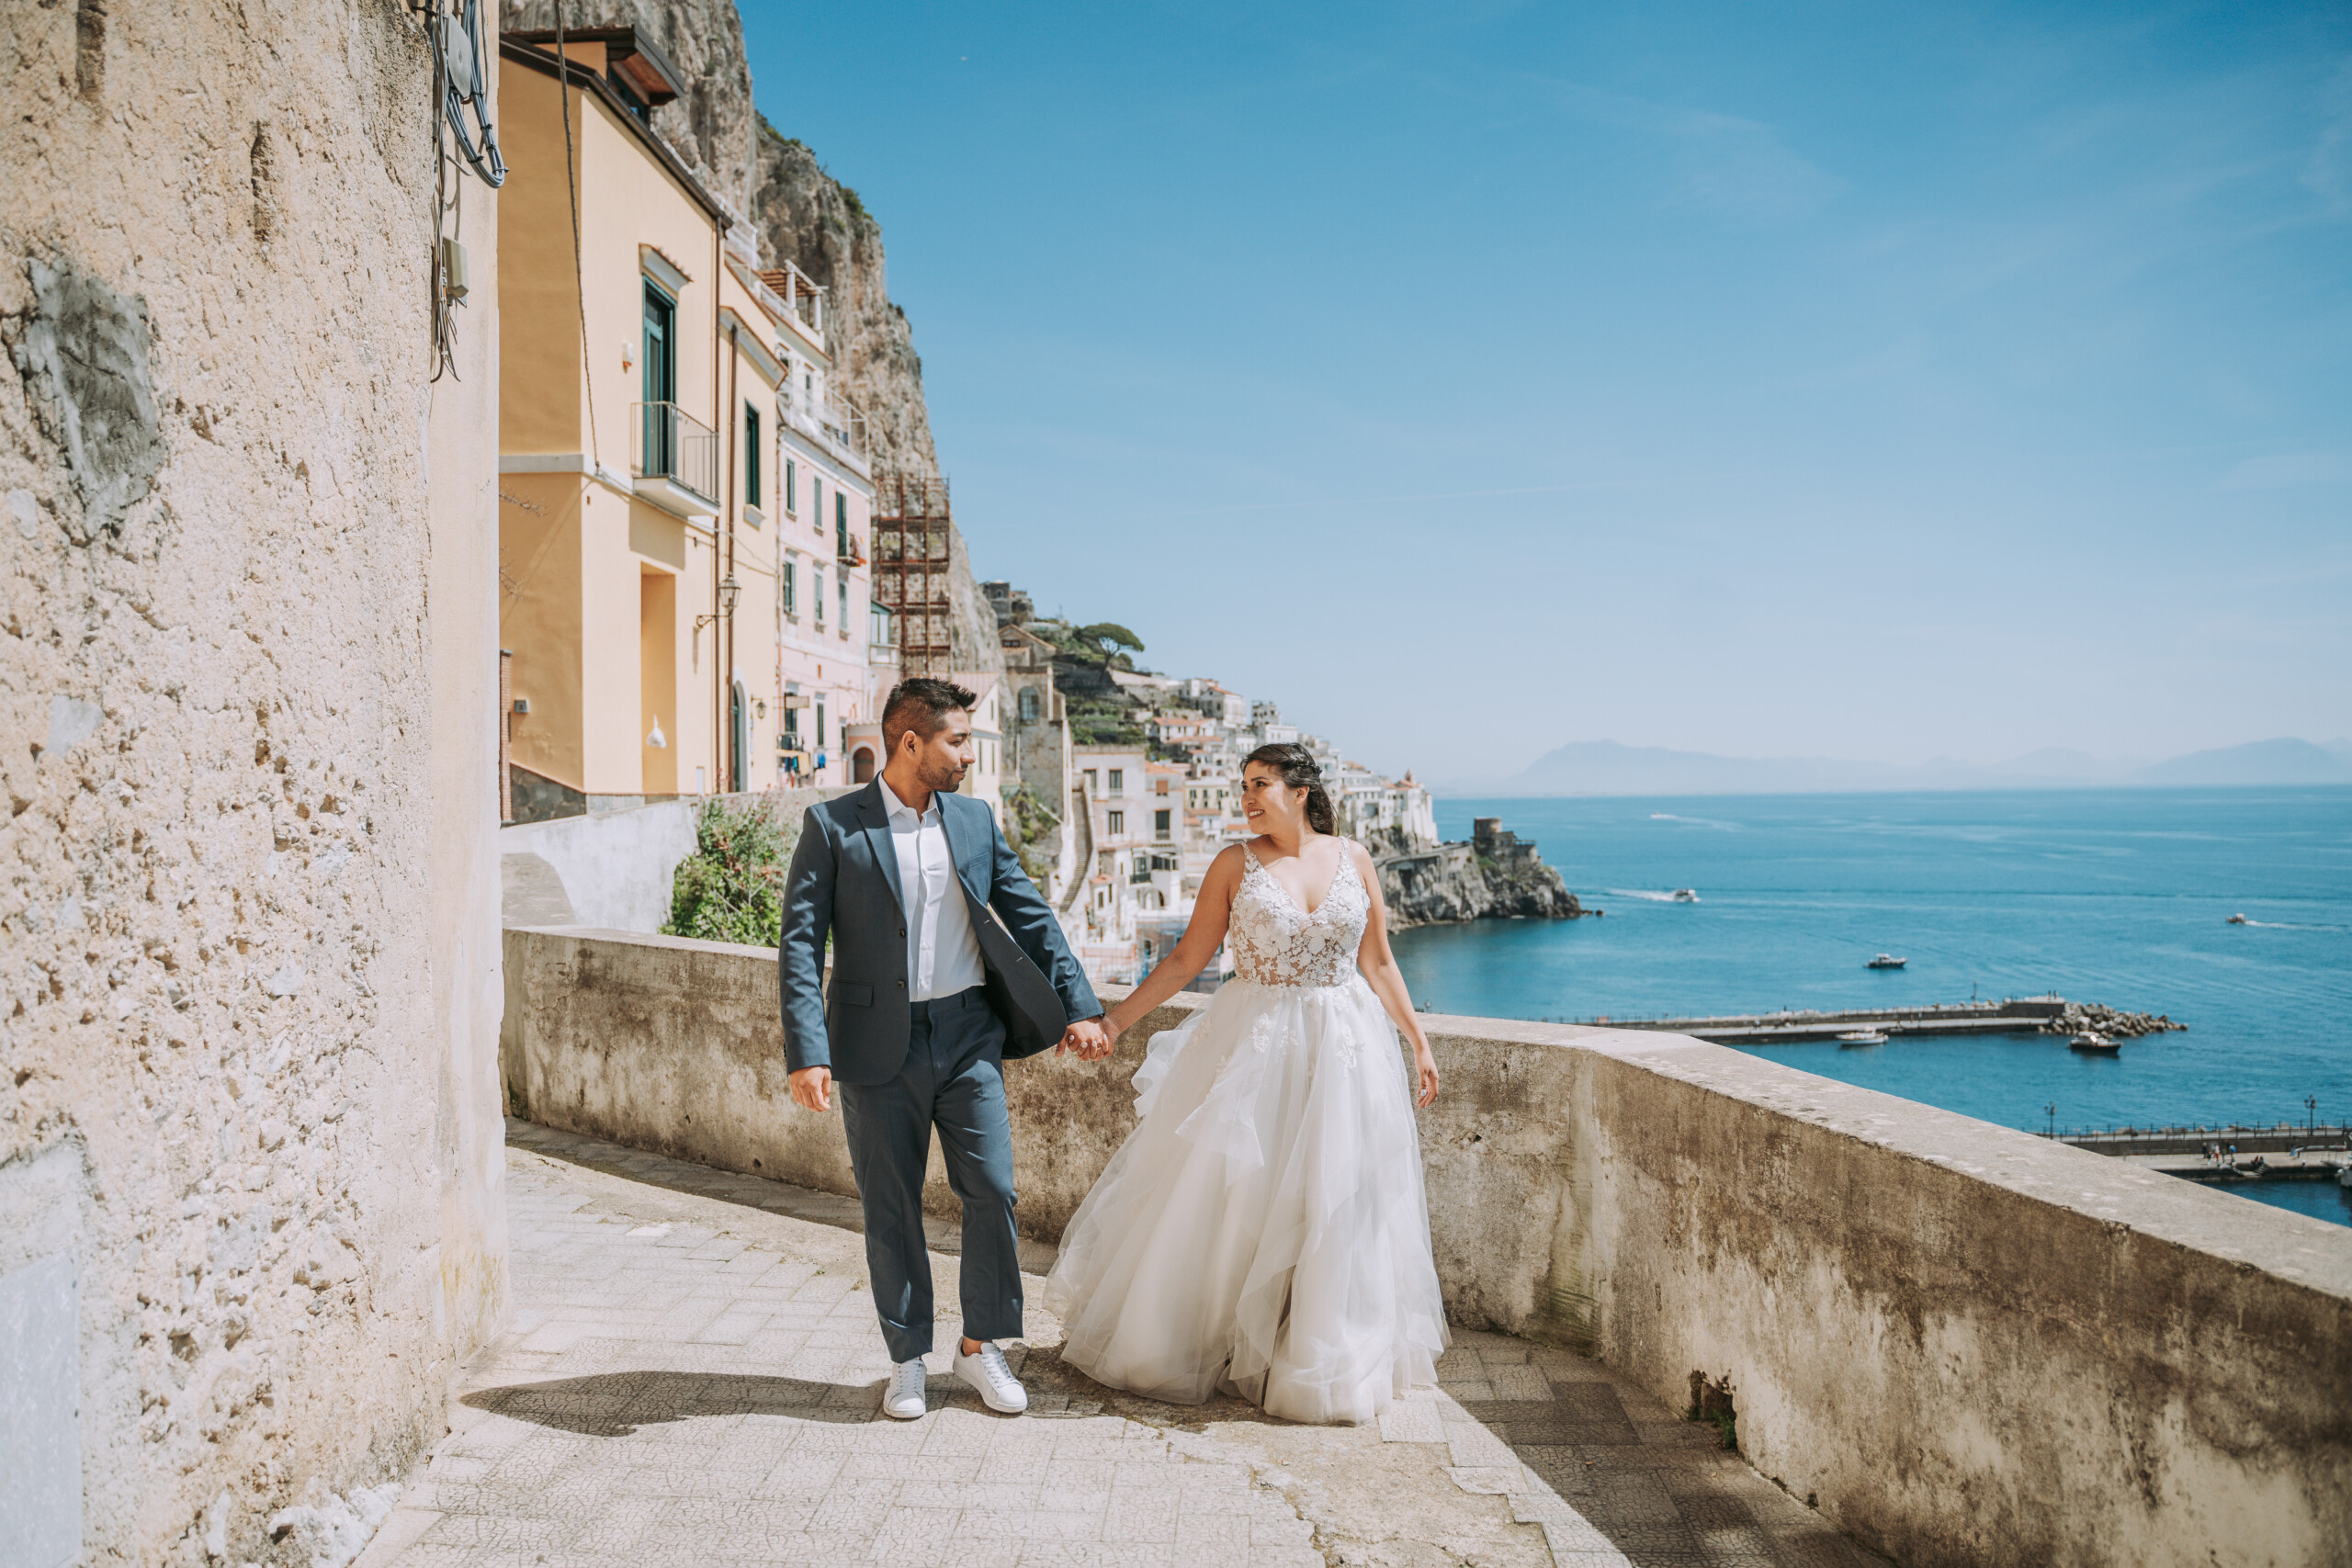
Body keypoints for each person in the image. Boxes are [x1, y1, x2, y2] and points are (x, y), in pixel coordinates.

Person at [1042, 742, 1449, 1424]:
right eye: (1243, 786)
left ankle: (1319, 1351)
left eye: (1260, 784)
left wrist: (1420, 1041)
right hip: (1256, 1040)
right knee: (1235, 1198)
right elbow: (1185, 959)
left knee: (1334, 1200)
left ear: (1301, 790)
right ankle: (1211, 1342)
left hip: (1344, 1047)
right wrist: (1113, 1023)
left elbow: (1379, 962)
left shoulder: (1355, 858)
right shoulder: (1235, 861)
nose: (1247, 798)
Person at [778, 677, 1108, 1420]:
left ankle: (981, 1346)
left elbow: (1032, 915)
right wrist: (807, 1049)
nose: (967, 754)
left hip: (967, 1035)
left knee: (992, 1188)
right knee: (890, 1206)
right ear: (910, 743)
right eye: (958, 741)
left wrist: (1081, 1006)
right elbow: (800, 944)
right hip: (873, 1045)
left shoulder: (973, 818)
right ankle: (907, 1359)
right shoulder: (833, 827)